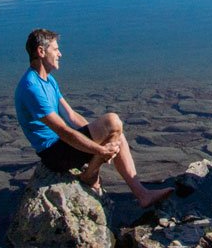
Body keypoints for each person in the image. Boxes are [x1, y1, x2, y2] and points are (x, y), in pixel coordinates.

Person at [14, 29, 173, 206]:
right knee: (112, 121)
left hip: (61, 146)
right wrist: (100, 150)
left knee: (116, 131)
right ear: (41, 52)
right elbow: (64, 131)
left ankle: (142, 194)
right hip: (53, 154)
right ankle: (90, 176)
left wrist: (101, 135)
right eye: (55, 49)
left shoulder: (48, 80)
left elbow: (71, 116)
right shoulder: (32, 87)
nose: (60, 54)